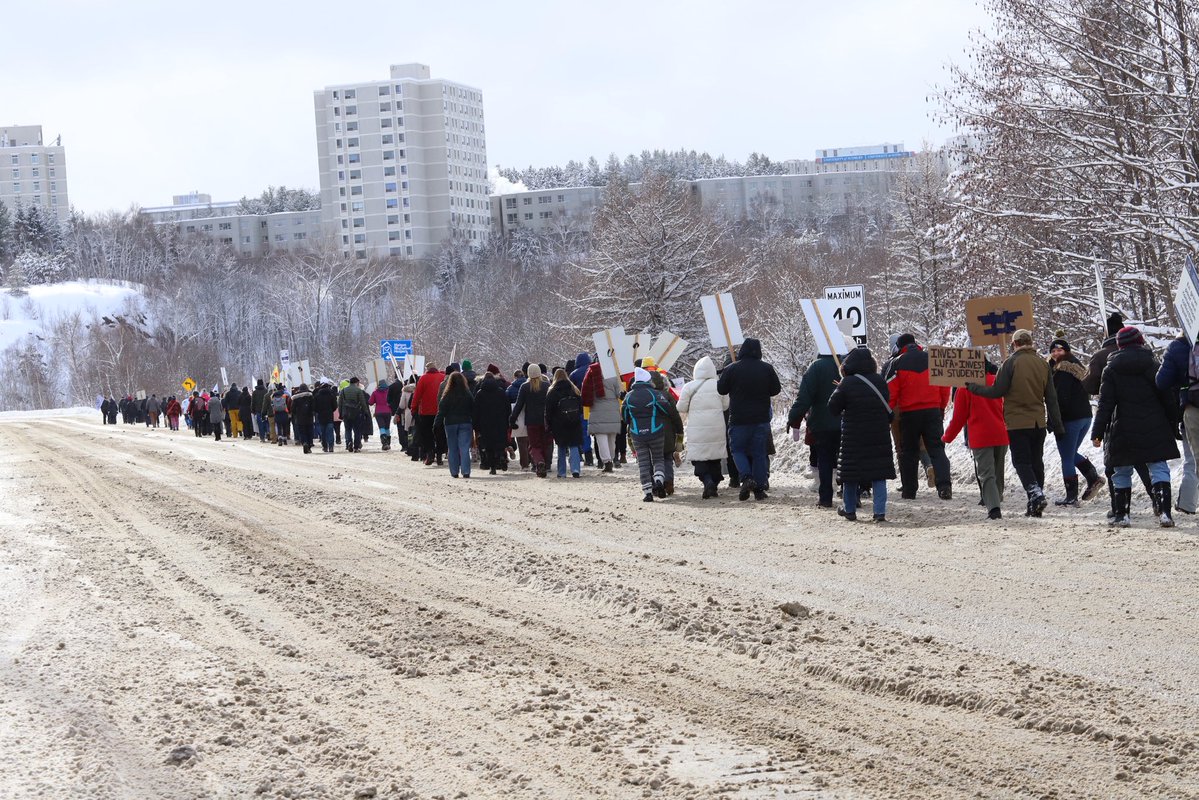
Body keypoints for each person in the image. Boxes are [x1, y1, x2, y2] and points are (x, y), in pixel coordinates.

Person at [966, 329, 1063, 517]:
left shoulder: (1010, 363)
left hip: (1017, 422)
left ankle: (1034, 493)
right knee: (1036, 462)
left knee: (1021, 461)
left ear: (1015, 344)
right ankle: (1035, 504)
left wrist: (974, 388)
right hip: (1038, 422)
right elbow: (1051, 398)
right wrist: (1057, 425)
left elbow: (997, 391)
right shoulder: (1043, 364)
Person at [1092, 326, 1179, 527]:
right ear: (1140, 341)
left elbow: (1105, 404)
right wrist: (1174, 422)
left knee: (1121, 470)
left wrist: (1098, 432)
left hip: (1122, 427)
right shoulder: (1153, 364)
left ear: (1120, 345)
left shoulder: (1111, 369)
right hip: (1154, 424)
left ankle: (1123, 515)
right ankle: (1165, 513)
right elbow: (1167, 397)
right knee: (1158, 468)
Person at [828, 347, 894, 522]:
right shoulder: (879, 381)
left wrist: (841, 387)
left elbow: (832, 408)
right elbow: (887, 402)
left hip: (854, 435)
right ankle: (879, 512)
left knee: (851, 473)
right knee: (878, 474)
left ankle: (849, 509)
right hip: (878, 435)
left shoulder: (846, 383)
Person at [885, 333, 953, 500]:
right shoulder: (932, 359)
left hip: (909, 414)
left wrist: (889, 412)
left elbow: (891, 393)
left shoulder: (897, 363)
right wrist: (941, 408)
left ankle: (909, 491)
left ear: (900, 347)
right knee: (937, 449)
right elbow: (945, 387)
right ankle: (944, 487)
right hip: (932, 411)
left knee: (909, 452)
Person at [716, 337, 781, 501]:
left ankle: (746, 477)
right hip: (761, 419)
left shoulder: (732, 369)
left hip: (739, 418)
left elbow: (721, 389)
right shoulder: (767, 368)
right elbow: (776, 390)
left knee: (737, 450)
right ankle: (759, 489)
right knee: (759, 453)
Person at [943, 361, 1009, 519]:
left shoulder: (965, 388)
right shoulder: (998, 382)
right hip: (1002, 433)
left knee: (987, 474)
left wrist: (947, 438)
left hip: (981, 436)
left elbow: (959, 419)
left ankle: (994, 509)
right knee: (998, 471)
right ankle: (996, 498)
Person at [1048, 336, 1103, 507]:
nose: (1056, 353)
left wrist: (1054, 420)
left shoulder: (1063, 369)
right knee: (1071, 453)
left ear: (1067, 351)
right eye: (1054, 351)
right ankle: (1093, 477)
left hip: (1070, 418)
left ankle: (1071, 497)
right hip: (1085, 416)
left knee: (1066, 457)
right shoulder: (1077, 367)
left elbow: (1060, 397)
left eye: (1060, 350)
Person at [787, 351, 841, 508]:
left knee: (824, 459)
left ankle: (825, 498)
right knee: (846, 459)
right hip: (844, 421)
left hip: (822, 422)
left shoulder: (815, 368)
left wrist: (793, 416)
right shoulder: (845, 365)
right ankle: (852, 496)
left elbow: (804, 398)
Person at [1155, 329, 1199, 516]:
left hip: (1192, 407)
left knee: (1194, 459)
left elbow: (1161, 381)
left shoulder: (1177, 346)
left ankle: (1188, 504)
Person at [623, 367, 684, 501]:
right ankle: (659, 480)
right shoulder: (655, 394)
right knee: (658, 459)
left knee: (643, 462)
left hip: (637, 434)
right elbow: (666, 410)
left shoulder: (628, 396)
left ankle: (648, 492)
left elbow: (625, 417)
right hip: (656, 431)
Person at [676, 355, 729, 498]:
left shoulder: (689, 387)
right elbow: (726, 406)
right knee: (715, 457)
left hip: (697, 429)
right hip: (716, 427)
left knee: (699, 458)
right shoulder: (719, 385)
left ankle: (707, 481)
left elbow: (680, 407)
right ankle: (714, 484)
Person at [581, 358, 623, 472]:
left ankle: (607, 461)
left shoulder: (591, 373)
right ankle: (612, 457)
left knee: (601, 438)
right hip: (612, 411)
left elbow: (585, 392)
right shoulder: (613, 375)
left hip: (597, 410)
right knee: (611, 438)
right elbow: (620, 393)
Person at [510, 364, 550, 477]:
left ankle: (539, 462)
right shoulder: (547, 385)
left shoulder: (525, 387)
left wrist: (512, 419)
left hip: (531, 421)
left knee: (534, 445)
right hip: (545, 420)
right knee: (544, 444)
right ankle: (544, 464)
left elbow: (518, 405)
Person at [435, 372, 475, 478]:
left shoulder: (447, 394)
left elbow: (441, 410)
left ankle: (454, 472)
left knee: (452, 448)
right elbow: (473, 409)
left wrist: (436, 424)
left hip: (450, 423)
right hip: (465, 422)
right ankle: (466, 471)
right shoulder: (467, 393)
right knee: (464, 448)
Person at [546, 368, 584, 478]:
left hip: (559, 423)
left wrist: (549, 424)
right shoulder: (574, 389)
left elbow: (548, 410)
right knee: (574, 445)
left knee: (561, 447)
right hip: (574, 422)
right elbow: (581, 407)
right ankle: (575, 469)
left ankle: (562, 472)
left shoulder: (552, 391)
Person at [473, 372, 511, 474]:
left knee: (489, 446)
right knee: (499, 443)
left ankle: (492, 468)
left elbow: (476, 410)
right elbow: (508, 408)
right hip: (500, 422)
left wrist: (476, 425)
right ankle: (501, 456)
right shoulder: (501, 392)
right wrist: (508, 421)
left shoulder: (480, 393)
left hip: (485, 424)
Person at [412, 363, 446, 465]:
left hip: (426, 412)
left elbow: (417, 395)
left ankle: (430, 453)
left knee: (427, 434)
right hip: (440, 411)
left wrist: (414, 408)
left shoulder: (423, 378)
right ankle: (439, 455)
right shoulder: (442, 377)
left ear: (427, 369)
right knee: (440, 433)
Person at [569, 353, 595, 466]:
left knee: (584, 432)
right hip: (595, 404)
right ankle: (602, 457)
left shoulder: (574, 374)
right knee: (598, 431)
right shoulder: (594, 370)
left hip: (580, 406)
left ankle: (588, 456)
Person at [338, 377, 371, 453]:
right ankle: (356, 446)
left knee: (348, 429)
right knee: (357, 430)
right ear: (356, 383)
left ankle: (349, 443)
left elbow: (340, 403)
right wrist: (366, 412)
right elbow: (363, 403)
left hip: (346, 413)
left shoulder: (343, 391)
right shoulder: (358, 391)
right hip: (356, 413)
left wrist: (340, 413)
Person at [290, 383, 315, 453]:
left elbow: (293, 409)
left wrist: (295, 414)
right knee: (309, 431)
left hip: (300, 418)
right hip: (309, 417)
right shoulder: (310, 396)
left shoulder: (296, 398)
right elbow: (313, 407)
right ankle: (309, 445)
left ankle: (304, 442)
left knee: (302, 432)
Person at [312, 381, 337, 452]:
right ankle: (331, 446)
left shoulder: (317, 396)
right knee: (330, 432)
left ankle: (325, 446)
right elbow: (335, 406)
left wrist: (319, 411)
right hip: (329, 415)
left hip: (321, 416)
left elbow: (314, 407)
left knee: (323, 432)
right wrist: (331, 410)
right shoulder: (331, 395)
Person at [370, 379, 394, 451]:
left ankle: (384, 443)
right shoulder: (389, 391)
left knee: (382, 427)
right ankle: (388, 442)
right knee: (387, 427)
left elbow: (370, 402)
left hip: (379, 412)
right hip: (388, 411)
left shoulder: (375, 392)